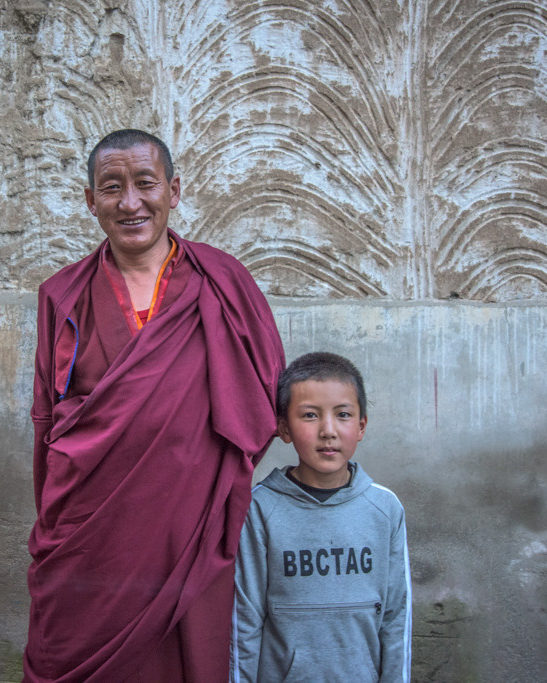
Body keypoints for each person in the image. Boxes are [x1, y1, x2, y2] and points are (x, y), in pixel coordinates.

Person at [24, 129, 284, 682]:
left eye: (146, 183)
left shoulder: (222, 282)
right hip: (92, 528)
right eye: (111, 187)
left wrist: (203, 475)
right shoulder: (62, 294)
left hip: (191, 521)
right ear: (90, 200)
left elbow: (263, 390)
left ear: (174, 190)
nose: (130, 202)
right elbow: (48, 417)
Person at [232, 352, 412, 682]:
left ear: (361, 426)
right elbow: (244, 621)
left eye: (343, 415)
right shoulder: (258, 509)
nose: (328, 431)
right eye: (310, 416)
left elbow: (395, 618)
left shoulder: (384, 509)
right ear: (284, 428)